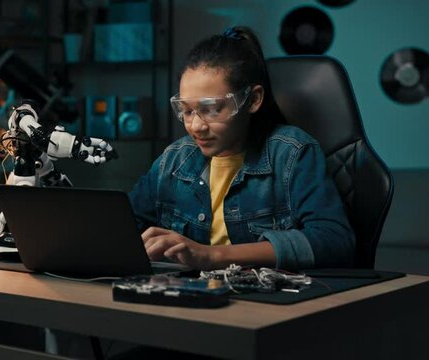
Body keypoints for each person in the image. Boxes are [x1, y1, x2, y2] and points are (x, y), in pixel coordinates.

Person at [128, 26, 355, 271]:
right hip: (188, 300)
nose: (195, 126)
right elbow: (122, 226)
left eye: (212, 109)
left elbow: (334, 241)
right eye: (187, 110)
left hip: (267, 302)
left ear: (253, 100)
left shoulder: (292, 153)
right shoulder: (174, 160)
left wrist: (211, 256)